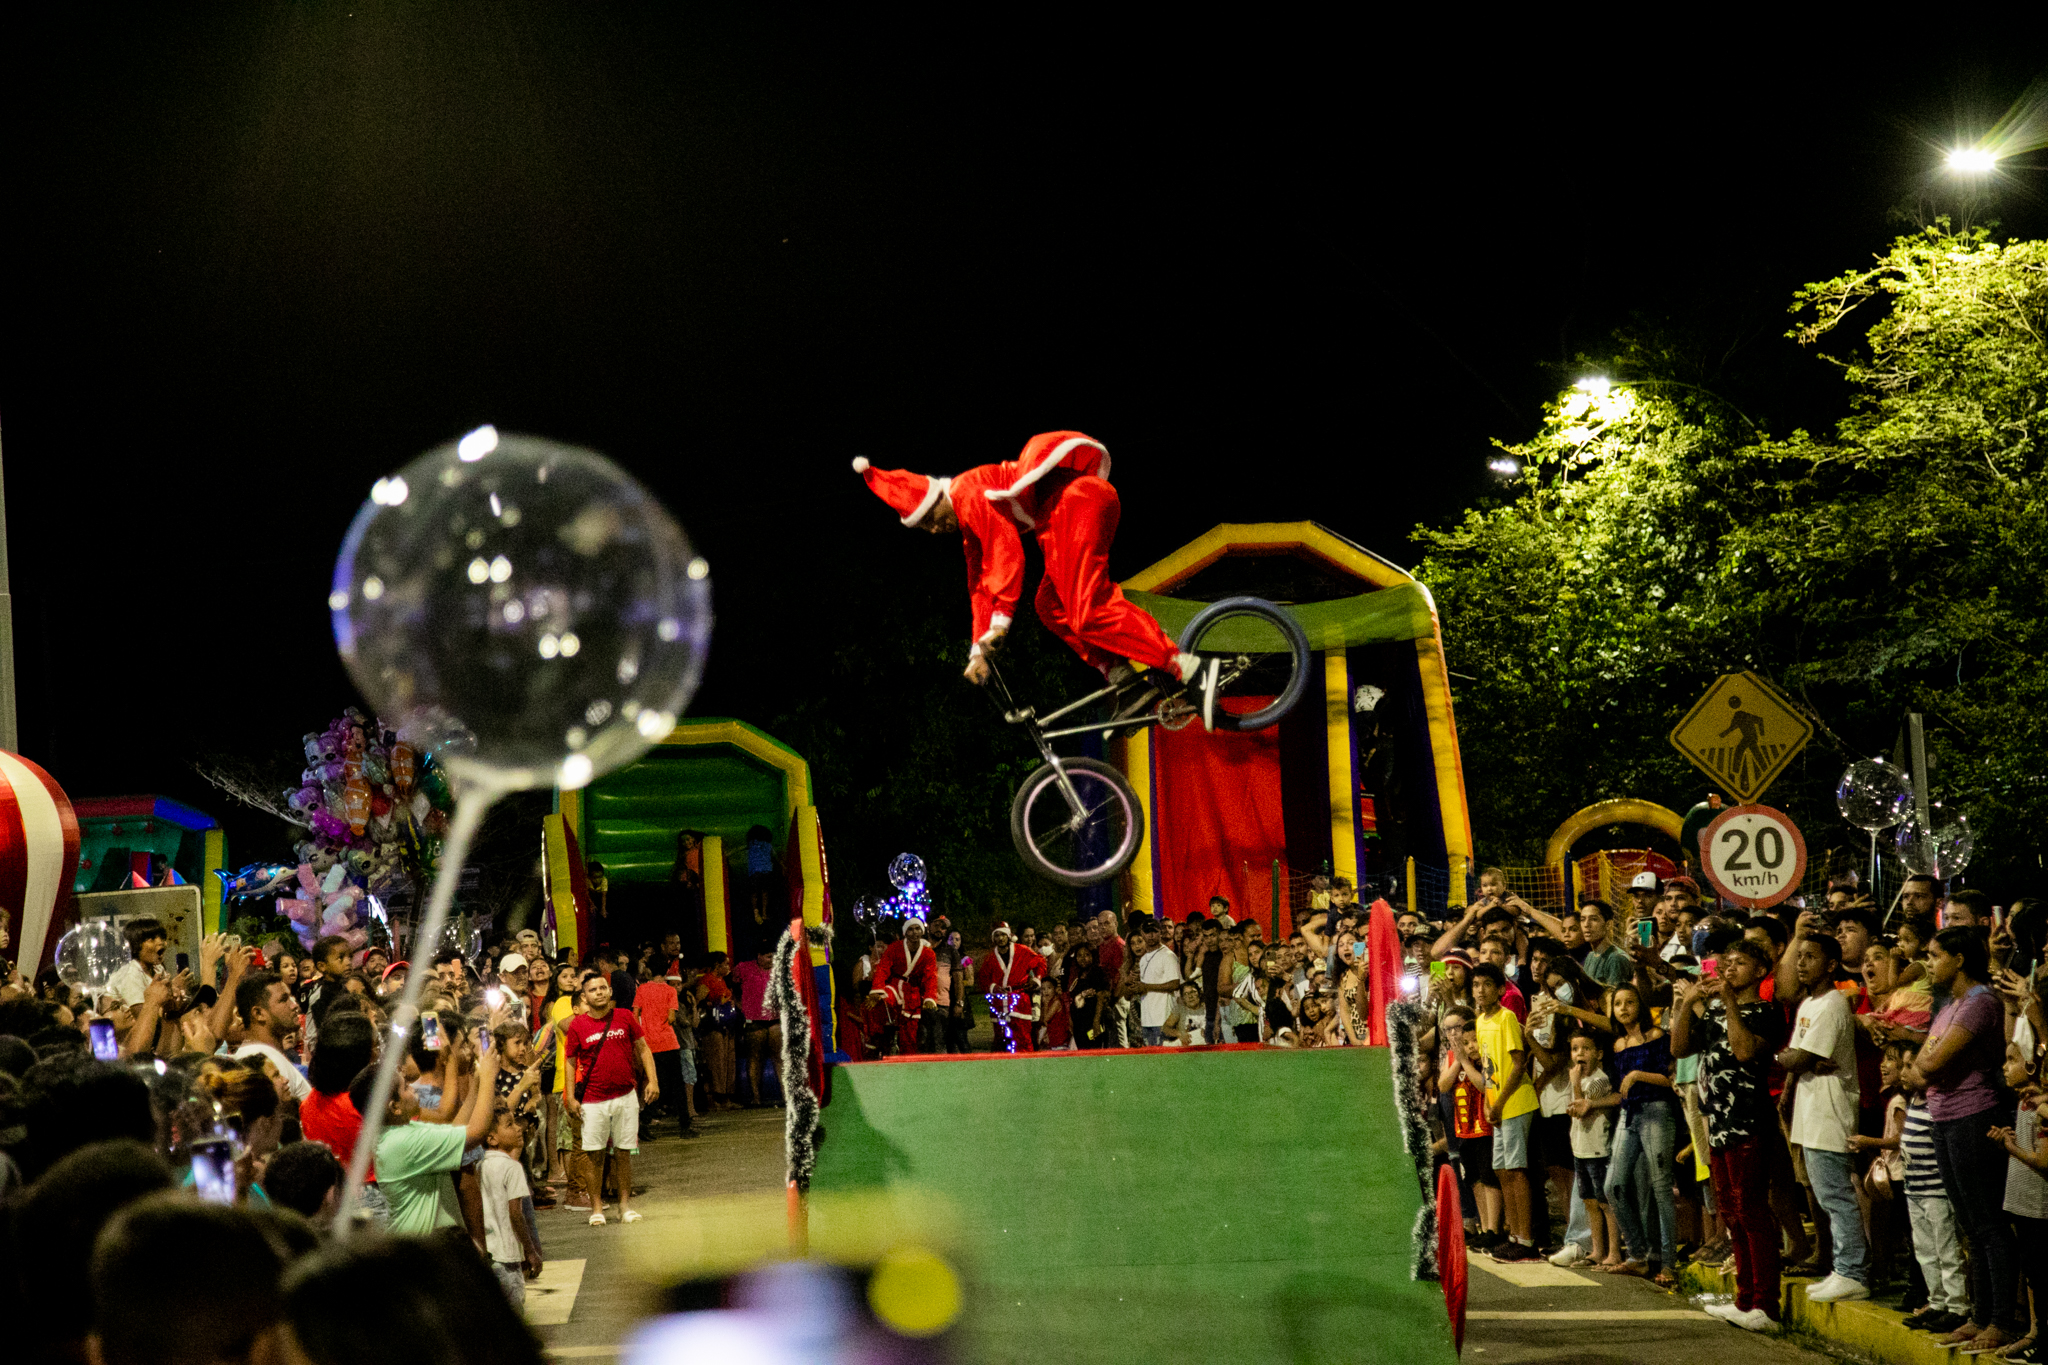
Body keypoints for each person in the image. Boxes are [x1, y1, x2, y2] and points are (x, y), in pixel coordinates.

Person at [853, 434, 1202, 709]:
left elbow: (1006, 552)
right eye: (924, 528)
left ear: (936, 499)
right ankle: (1122, 676)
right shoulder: (967, 520)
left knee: (1086, 611)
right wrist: (977, 651)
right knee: (1049, 605)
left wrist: (1001, 624)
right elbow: (979, 586)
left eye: (929, 519)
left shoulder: (965, 493)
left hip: (1076, 503)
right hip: (1064, 515)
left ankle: (1183, 665)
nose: (933, 529)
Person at [1905, 926, 2023, 1352]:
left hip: (1974, 1116)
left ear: (1958, 959)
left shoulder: (1980, 1003)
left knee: (1989, 1223)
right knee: (1969, 1225)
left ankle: (2001, 1321)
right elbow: (1921, 1064)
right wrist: (1923, 1063)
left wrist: (1924, 1063)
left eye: (1935, 955)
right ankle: (1979, 1315)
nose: (1929, 963)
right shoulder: (1950, 1005)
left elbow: (1931, 1062)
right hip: (1944, 1117)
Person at [1670, 938, 1785, 1333]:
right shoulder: (1715, 1010)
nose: (1729, 969)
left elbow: (1744, 1051)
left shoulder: (1768, 1011)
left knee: (1751, 1210)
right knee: (1731, 1213)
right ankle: (1744, 1298)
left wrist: (1730, 1004)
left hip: (1748, 1121)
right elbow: (1680, 1047)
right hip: (1716, 1122)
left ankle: (1767, 1305)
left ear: (1760, 971)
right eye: (1727, 963)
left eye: (1739, 963)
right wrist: (1686, 1003)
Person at [1778, 932, 1869, 1303]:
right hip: (1810, 1111)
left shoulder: (1832, 1004)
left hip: (1830, 1112)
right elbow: (1798, 1056)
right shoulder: (1809, 1003)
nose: (1801, 963)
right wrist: (1794, 1056)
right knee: (1825, 1194)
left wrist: (1784, 1055)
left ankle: (1853, 1272)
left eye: (1810, 957)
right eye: (1798, 956)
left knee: (1837, 1196)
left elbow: (1797, 1058)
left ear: (1831, 964)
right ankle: (1841, 1268)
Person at [355, 1037, 502, 1235]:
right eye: (406, 1087)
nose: (413, 1089)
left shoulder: (402, 1130)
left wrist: (476, 1084)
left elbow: (457, 1128)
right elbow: (475, 1134)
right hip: (421, 1250)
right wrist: (489, 1079)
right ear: (395, 1107)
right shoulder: (401, 1143)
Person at [562, 969, 660, 1226]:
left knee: (624, 1153)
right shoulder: (577, 1025)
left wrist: (653, 1080)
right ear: (584, 996)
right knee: (594, 1155)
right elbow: (570, 1062)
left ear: (610, 991)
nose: (599, 993)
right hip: (593, 1100)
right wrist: (570, 1096)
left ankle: (625, 1206)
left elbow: (643, 1048)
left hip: (626, 1096)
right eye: (593, 990)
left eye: (602, 988)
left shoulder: (625, 1017)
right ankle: (597, 1208)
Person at [1601, 982, 1679, 1283]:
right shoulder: (1617, 1045)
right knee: (1613, 1186)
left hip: (1657, 1111)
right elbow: (1620, 1090)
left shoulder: (1657, 1036)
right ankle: (1638, 1253)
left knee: (1661, 1189)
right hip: (1629, 1114)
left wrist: (1637, 1075)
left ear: (1640, 1006)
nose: (1623, 1008)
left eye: (1629, 1002)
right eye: (1617, 1004)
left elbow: (1669, 1078)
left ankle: (1668, 1262)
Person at [1470, 962, 1542, 1261]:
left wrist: (1498, 1102)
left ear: (1501, 989)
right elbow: (1489, 1068)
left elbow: (1518, 1062)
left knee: (1515, 1169)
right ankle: (1512, 1233)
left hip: (1515, 1101)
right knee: (1501, 1169)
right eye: (1476, 985)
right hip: (1497, 1104)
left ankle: (1525, 1239)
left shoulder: (1507, 1018)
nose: (1480, 990)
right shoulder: (1481, 1021)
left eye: (1487, 984)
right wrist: (1488, 1100)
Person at [1562, 1029, 1623, 1270]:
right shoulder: (1579, 1078)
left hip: (1598, 1150)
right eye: (1575, 1049)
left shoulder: (1599, 1080)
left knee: (1605, 1203)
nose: (1579, 1054)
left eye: (1585, 1049)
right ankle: (1597, 1251)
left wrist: (1576, 1084)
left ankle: (1614, 1252)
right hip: (1581, 1149)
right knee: (1589, 1202)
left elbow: (1580, 1109)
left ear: (1598, 1054)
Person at [481, 1103, 547, 1307]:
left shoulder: (479, 1164)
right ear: (491, 1138)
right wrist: (530, 1250)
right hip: (507, 1256)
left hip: (487, 1253)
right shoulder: (512, 1168)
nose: (518, 1128)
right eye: (509, 1125)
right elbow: (516, 1214)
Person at [231, 968, 311, 1106]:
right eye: (283, 1000)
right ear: (258, 1013)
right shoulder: (264, 1061)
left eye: (290, 998)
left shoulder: (266, 1055)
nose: (294, 1006)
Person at [869, 918, 938, 1056]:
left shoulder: (928, 953)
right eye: (910, 929)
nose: (914, 933)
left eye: (917, 929)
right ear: (905, 932)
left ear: (922, 931)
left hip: (913, 992)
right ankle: (876, 1043)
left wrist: (930, 997)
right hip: (894, 986)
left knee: (910, 1032)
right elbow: (883, 968)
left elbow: (930, 976)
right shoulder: (894, 947)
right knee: (880, 1004)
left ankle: (909, 1059)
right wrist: (877, 989)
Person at [633, 966, 686, 1134]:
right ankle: (685, 1125)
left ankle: (645, 1121)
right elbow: (671, 1017)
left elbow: (635, 1015)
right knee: (678, 1085)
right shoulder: (670, 990)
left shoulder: (642, 989)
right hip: (668, 1042)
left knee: (655, 1083)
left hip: (649, 1044)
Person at [979, 921, 1046, 1052]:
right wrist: (993, 987)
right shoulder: (990, 958)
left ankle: (1026, 1068)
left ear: (1009, 935)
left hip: (1019, 1001)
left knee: (1023, 1040)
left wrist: (1037, 980)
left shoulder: (1022, 951)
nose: (1000, 938)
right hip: (999, 1004)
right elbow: (983, 978)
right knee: (1001, 1041)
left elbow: (1040, 962)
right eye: (997, 935)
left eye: (1003, 935)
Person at [731, 946, 781, 1106]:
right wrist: (739, 1004)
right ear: (758, 956)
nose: (771, 960)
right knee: (754, 1058)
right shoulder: (743, 968)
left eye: (773, 956)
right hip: (753, 1019)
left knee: (780, 1058)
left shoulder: (780, 968)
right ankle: (756, 1097)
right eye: (768, 957)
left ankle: (787, 1095)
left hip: (775, 1019)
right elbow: (731, 985)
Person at [1136, 921, 1183, 1047]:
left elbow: (1175, 984)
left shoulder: (1168, 956)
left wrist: (1146, 987)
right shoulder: (1143, 958)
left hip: (1163, 1018)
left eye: (1154, 932)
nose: (1151, 936)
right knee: (1151, 1060)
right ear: (1142, 934)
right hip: (1147, 1018)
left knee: (1164, 1059)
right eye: (1147, 932)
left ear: (1160, 933)